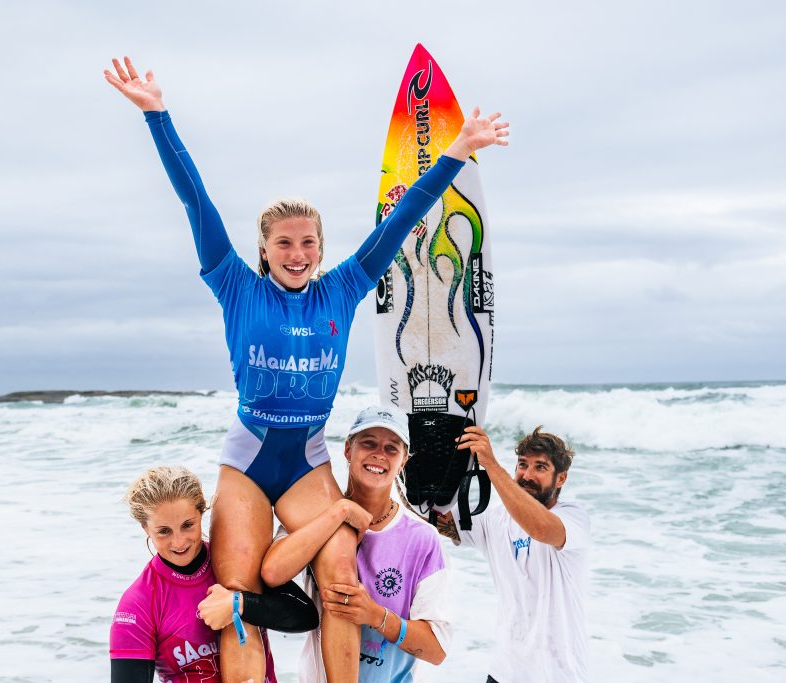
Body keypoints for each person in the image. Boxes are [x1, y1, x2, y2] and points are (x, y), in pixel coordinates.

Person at [104, 55, 507, 682]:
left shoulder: (341, 288)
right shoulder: (236, 286)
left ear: (321, 247)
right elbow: (195, 199)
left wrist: (456, 150)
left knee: (341, 564)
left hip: (308, 459)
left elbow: (403, 218)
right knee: (237, 597)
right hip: (248, 460)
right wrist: (158, 116)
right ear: (263, 248)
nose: (298, 252)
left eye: (308, 241)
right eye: (285, 242)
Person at [254, 406, 451, 682]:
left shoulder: (421, 538)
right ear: (348, 449)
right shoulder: (316, 516)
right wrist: (339, 513)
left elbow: (437, 651)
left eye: (391, 448)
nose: (379, 455)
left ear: (404, 460)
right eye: (368, 443)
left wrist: (375, 616)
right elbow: (273, 572)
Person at [109, 465, 319, 683]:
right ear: (145, 528)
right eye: (164, 531)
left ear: (202, 513)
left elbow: (306, 616)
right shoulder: (138, 604)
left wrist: (239, 604)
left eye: (188, 525)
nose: (179, 542)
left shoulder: (236, 562)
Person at [434, 426, 590, 683]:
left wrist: (491, 465)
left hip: (558, 675)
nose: (527, 475)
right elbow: (435, 520)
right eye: (522, 465)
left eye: (540, 467)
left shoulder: (573, 517)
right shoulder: (494, 518)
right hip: (503, 673)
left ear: (561, 479)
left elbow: (540, 528)